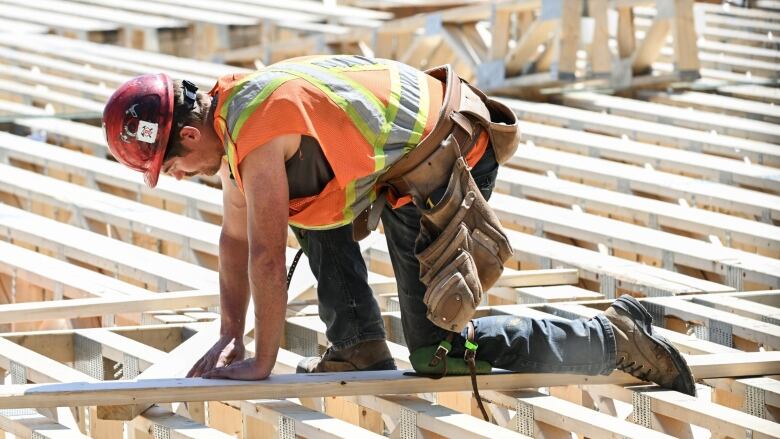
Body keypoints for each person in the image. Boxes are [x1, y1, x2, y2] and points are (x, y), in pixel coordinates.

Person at [101, 55, 696, 397]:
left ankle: (609, 336)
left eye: (170, 165)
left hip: (448, 153)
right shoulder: (232, 115)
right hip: (410, 159)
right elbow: (235, 241)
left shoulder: (255, 128)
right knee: (299, 200)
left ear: (185, 133)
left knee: (436, 352)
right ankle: (358, 345)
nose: (176, 176)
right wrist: (229, 333)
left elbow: (263, 255)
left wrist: (261, 359)